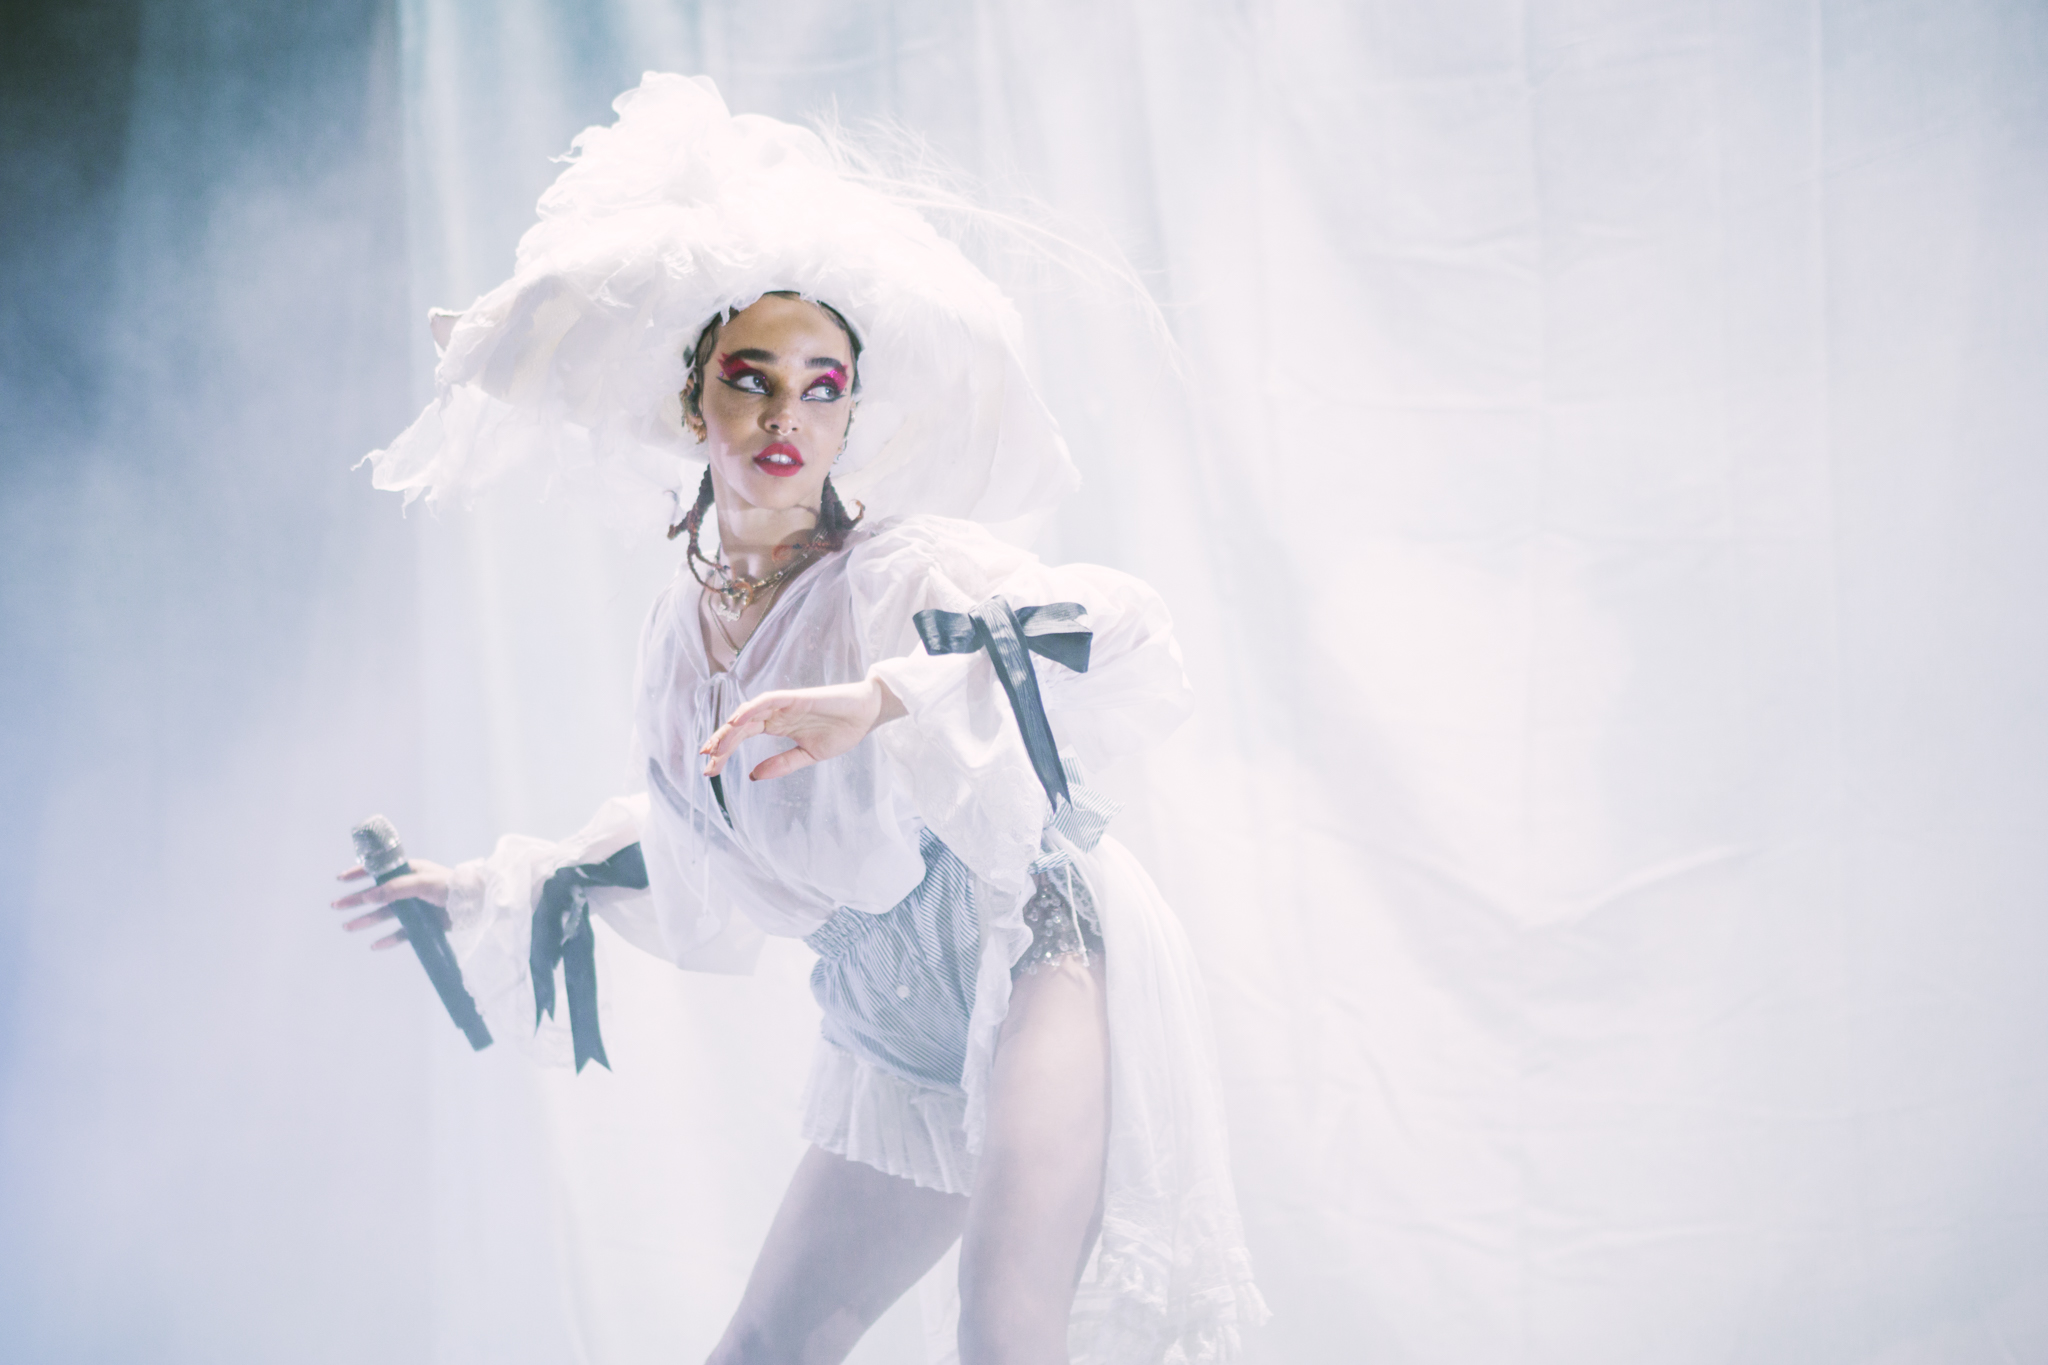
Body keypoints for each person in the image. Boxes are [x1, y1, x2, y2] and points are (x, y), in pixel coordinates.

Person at [331, 73, 1263, 1365]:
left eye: (824, 386)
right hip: (889, 1024)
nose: (787, 414)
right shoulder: (678, 640)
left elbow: (1122, 628)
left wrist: (882, 698)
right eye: (752, 378)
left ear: (851, 416)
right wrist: (498, 885)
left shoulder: (902, 574)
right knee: (761, 1349)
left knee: (1005, 1333)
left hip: (1037, 952)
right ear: (693, 404)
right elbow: (699, 842)